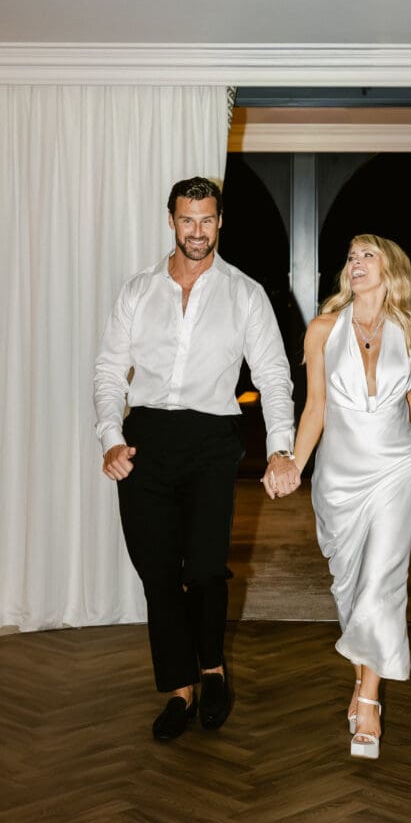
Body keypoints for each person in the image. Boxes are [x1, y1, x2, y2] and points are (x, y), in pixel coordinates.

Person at [93, 176, 300, 741]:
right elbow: (111, 372)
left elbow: (274, 377)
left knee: (205, 568)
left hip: (212, 438)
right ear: (171, 220)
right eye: (188, 220)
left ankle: (212, 667)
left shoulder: (245, 293)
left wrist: (281, 447)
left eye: (207, 220)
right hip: (146, 440)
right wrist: (111, 436)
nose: (198, 232)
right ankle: (179, 688)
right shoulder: (137, 290)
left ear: (220, 222)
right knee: (158, 573)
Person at [263, 234, 411, 758]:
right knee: (352, 589)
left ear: (391, 269)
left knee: (382, 583)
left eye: (368, 255)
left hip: (395, 469)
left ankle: (368, 699)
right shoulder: (323, 329)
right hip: (339, 479)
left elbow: (406, 395)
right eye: (351, 256)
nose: (356, 263)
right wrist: (294, 460)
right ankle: (364, 678)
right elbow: (315, 406)